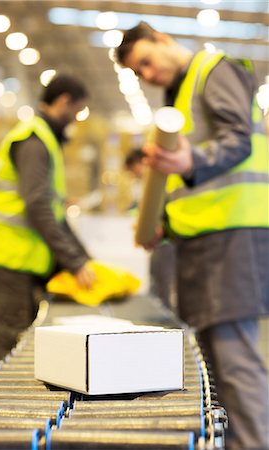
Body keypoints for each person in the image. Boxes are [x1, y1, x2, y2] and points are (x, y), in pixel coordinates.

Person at [115, 22, 269, 450]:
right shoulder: (178, 97)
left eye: (145, 61)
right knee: (215, 367)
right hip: (200, 241)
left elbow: (237, 140)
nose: (146, 74)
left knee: (236, 363)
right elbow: (187, 183)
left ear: (163, 39)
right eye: (137, 72)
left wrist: (188, 159)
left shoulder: (214, 70)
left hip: (232, 236)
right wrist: (160, 218)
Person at [0, 74, 96, 365]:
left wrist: (84, 259)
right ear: (64, 102)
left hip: (13, 253)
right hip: (2, 251)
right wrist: (75, 262)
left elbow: (54, 214)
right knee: (10, 338)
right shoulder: (34, 141)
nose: (75, 122)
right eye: (77, 113)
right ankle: (1, 406)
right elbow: (37, 206)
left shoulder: (43, 139)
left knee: (19, 335)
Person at [124, 148, 176, 312]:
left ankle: (169, 324)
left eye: (134, 170)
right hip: (160, 244)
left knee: (165, 289)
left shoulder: (162, 181)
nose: (135, 175)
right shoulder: (149, 186)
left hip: (168, 243)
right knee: (158, 288)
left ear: (142, 162)